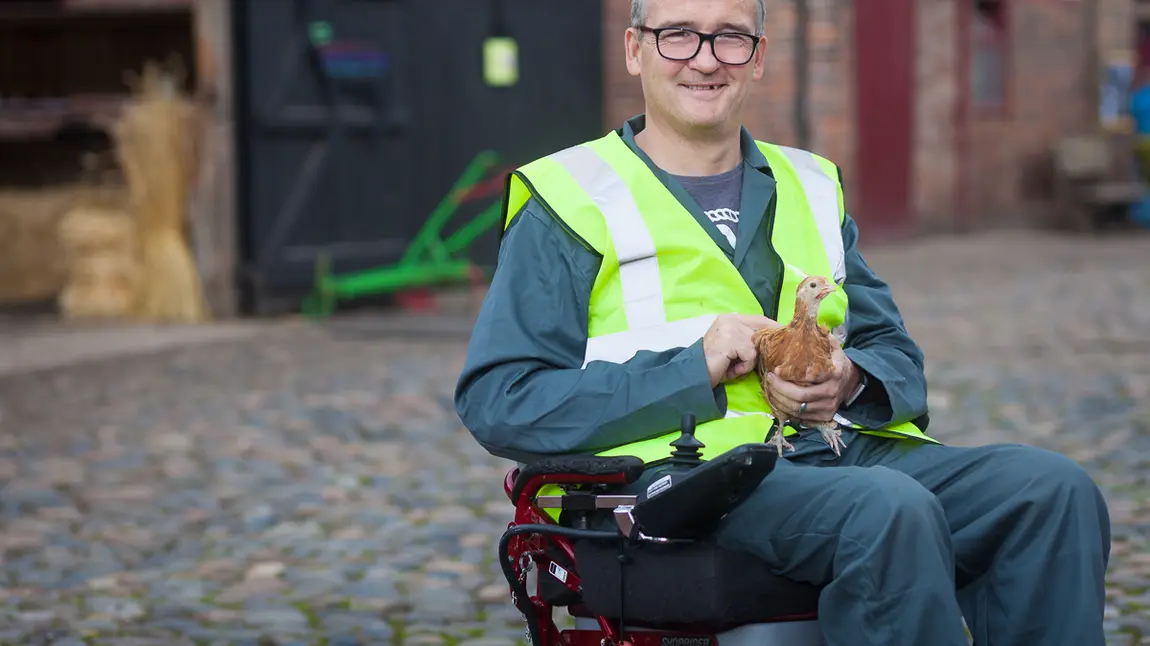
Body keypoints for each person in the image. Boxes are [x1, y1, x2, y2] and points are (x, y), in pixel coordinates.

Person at [454, 0, 1111, 644]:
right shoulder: (569, 199)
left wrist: (849, 378)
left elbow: (896, 357)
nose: (706, 59)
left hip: (833, 457)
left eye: (731, 38)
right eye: (678, 34)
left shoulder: (812, 184)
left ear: (759, 57)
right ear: (635, 49)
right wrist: (692, 368)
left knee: (1049, 492)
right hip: (680, 483)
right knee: (885, 510)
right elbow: (501, 402)